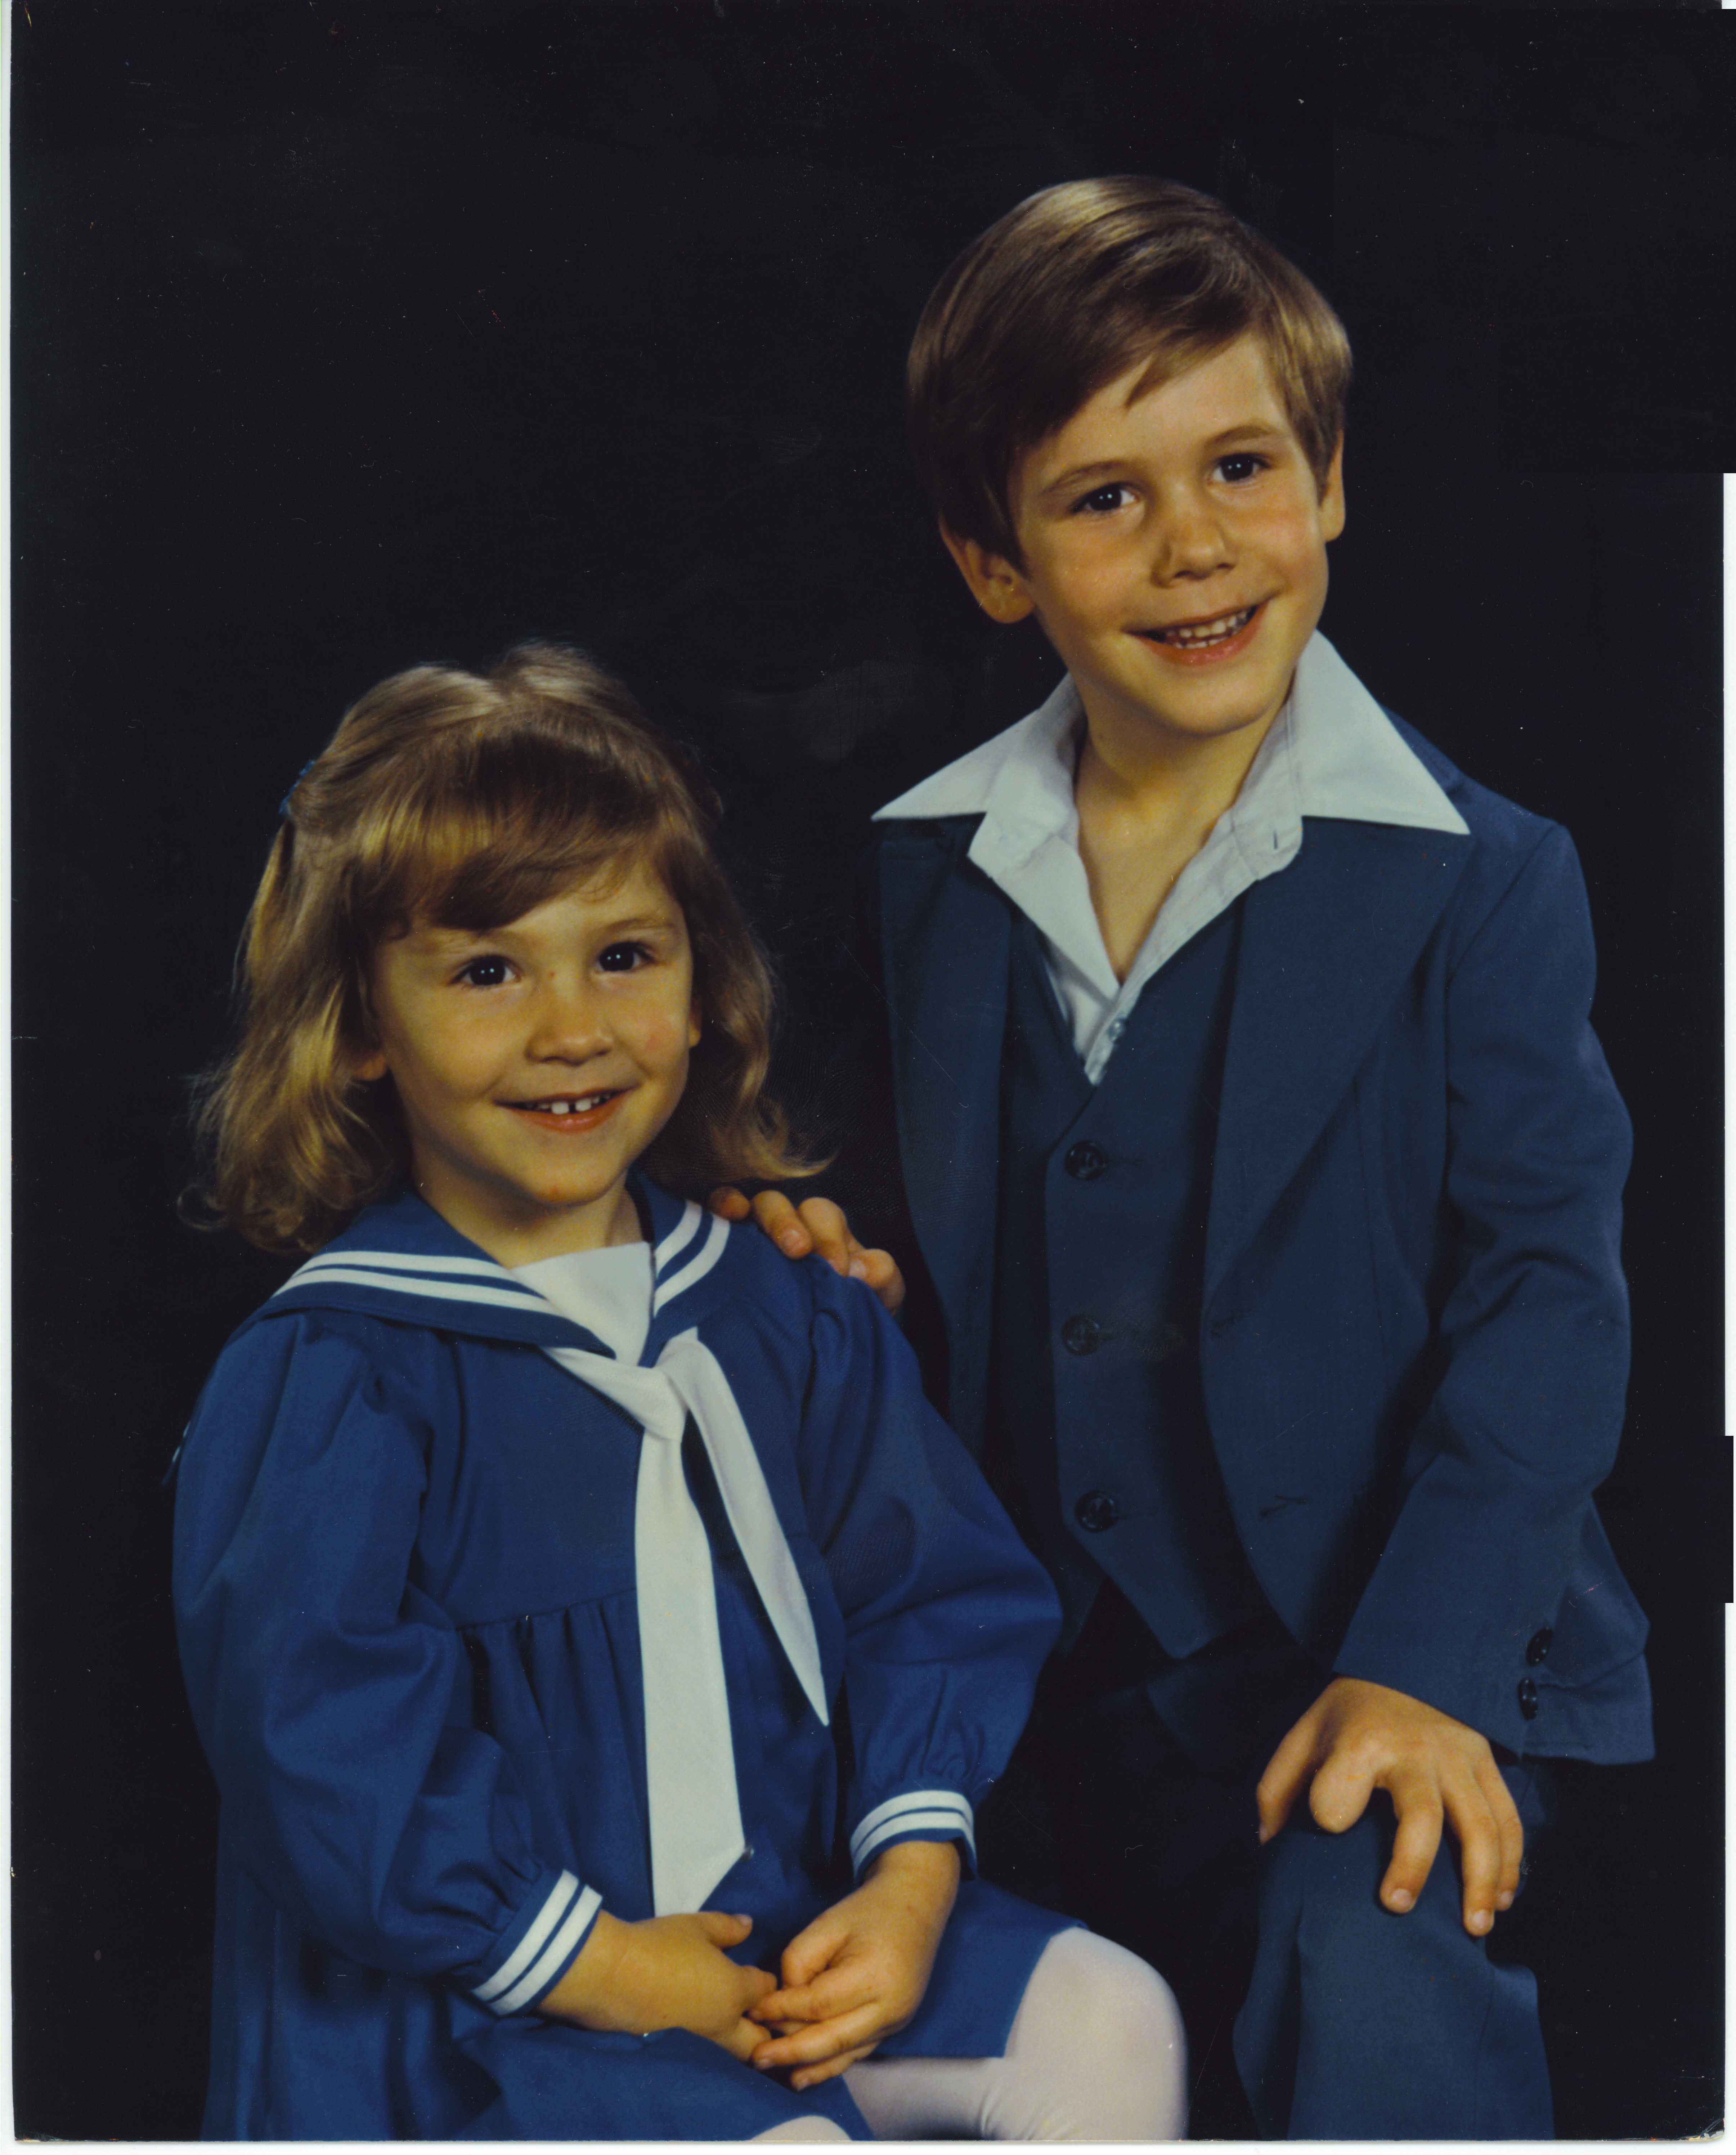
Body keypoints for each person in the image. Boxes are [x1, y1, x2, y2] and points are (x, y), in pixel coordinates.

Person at [717, 177, 1653, 2140]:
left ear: (1330, 483)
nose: (1194, 544)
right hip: (1032, 1672)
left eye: (1240, 466)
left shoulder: (1485, 878)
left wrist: (1423, 1670)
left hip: (1380, 1638)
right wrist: (816, 1236)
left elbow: (1546, 1296)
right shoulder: (915, 873)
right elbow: (897, 1215)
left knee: (1365, 1954)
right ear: (996, 565)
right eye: (1103, 497)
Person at [171, 644, 1185, 2142]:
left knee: (1110, 2016)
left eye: (627, 955)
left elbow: (932, 1597)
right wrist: (604, 1965)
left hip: (781, 1924)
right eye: (489, 969)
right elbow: (319, 1747)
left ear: (705, 986)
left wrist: (907, 1889)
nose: (572, 1027)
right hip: (476, 2007)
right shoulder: (340, 1372)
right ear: (365, 1023)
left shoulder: (791, 1309)